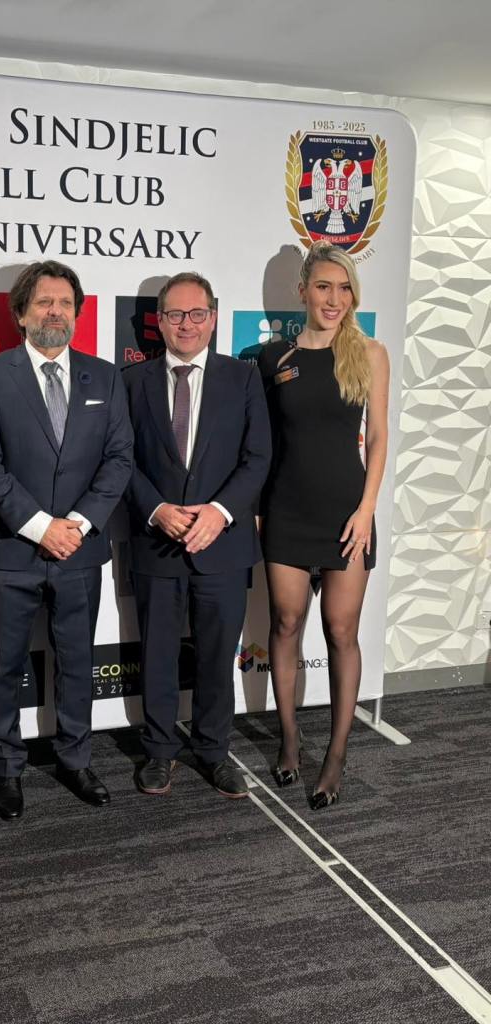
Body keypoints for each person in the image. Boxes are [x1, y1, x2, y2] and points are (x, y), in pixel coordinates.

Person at [0, 260, 133, 819]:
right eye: (43, 302)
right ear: (20, 313)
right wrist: (40, 526)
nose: (55, 312)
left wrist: (77, 524)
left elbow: (119, 459)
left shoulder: (105, 376)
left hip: (81, 551)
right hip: (13, 551)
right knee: (4, 664)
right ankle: (6, 768)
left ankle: (75, 758)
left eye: (65, 303)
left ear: (78, 313)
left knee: (78, 660)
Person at [125, 272, 270, 800]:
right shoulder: (131, 382)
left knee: (216, 657)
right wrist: (156, 509)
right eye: (175, 314)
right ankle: (159, 751)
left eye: (196, 313)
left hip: (223, 546)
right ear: (159, 322)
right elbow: (121, 460)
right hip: (157, 542)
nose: (186, 324)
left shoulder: (243, 378)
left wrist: (221, 512)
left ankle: (213, 751)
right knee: (158, 655)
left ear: (213, 317)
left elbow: (258, 457)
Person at [259, 241, 389, 809]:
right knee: (286, 622)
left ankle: (335, 755)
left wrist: (367, 509)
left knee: (341, 631)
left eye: (343, 289)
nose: (334, 299)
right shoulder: (274, 359)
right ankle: (289, 740)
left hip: (347, 513)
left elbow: (378, 437)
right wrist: (260, 511)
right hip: (287, 510)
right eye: (323, 287)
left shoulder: (369, 353)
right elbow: (266, 444)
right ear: (303, 292)